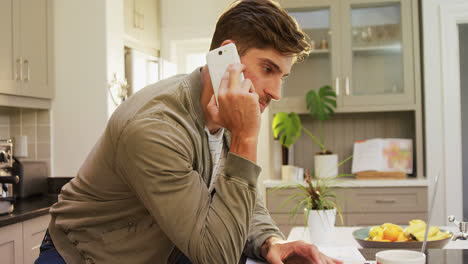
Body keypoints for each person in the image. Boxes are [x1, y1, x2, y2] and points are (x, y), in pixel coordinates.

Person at [36, 0, 343, 263]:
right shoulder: (155, 127)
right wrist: (245, 139)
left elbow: (238, 200)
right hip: (83, 256)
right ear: (228, 57)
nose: (276, 92)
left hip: (159, 250)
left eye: (283, 76)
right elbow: (216, 256)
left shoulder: (221, 110)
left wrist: (271, 241)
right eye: (268, 68)